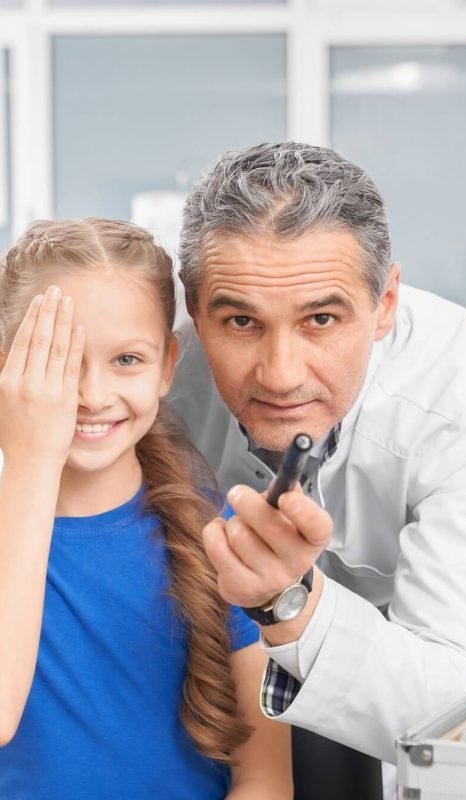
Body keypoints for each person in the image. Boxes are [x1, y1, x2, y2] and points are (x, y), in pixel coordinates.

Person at [169, 142, 466, 784]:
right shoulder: (157, 380)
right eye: (241, 321)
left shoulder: (460, 394)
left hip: (454, 663)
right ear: (193, 306)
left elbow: (452, 715)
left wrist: (285, 600)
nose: (280, 375)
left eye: (321, 318)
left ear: (386, 303)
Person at [0, 218, 292, 799]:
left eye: (127, 360)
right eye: (58, 361)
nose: (92, 395)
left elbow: (265, 778)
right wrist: (31, 459)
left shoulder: (225, 543)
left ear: (167, 366)